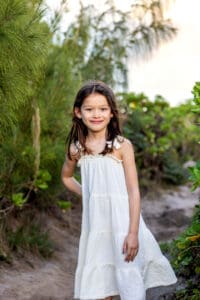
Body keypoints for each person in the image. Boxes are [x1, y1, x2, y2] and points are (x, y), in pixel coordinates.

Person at [61, 80, 177, 300]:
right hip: (96, 227)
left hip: (124, 226)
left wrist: (133, 233)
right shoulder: (77, 148)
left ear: (111, 113)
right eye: (89, 109)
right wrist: (89, 195)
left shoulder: (122, 146)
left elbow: (134, 191)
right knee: (101, 285)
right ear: (78, 112)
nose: (96, 114)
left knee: (127, 279)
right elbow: (66, 178)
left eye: (103, 109)